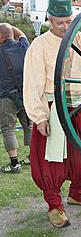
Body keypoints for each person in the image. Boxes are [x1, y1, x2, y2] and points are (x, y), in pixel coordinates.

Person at [23, 0, 81, 228]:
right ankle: (54, 204)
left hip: (78, 105)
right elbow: (32, 83)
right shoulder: (39, 45)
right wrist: (39, 117)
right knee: (52, 160)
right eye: (61, 23)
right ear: (49, 19)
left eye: (69, 21)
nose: (66, 27)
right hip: (52, 106)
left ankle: (77, 193)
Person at [0, 23, 32, 173]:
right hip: (24, 95)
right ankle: (33, 157)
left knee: (8, 129)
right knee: (28, 126)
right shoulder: (24, 46)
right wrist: (10, 28)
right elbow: (22, 34)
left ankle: (14, 164)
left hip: (6, 97)